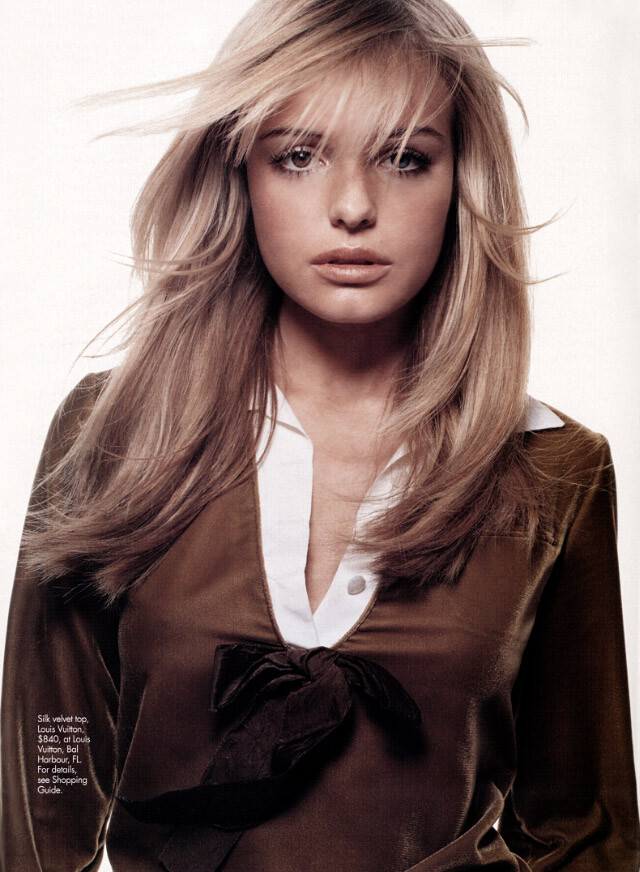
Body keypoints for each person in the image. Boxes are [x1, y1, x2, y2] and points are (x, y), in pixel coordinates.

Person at [2, 0, 639, 869]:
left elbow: (586, 832)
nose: (353, 207)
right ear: (240, 174)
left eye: (406, 158)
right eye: (299, 156)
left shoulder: (555, 467)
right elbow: (46, 794)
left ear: (462, 182)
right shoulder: (113, 434)